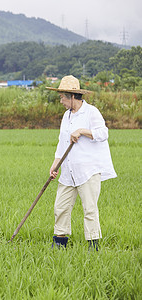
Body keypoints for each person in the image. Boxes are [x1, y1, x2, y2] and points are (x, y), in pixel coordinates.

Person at [47, 75, 117, 251]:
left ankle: (93, 246)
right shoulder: (66, 116)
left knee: (90, 210)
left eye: (62, 97)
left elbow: (103, 133)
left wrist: (82, 131)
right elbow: (61, 143)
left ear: (72, 96)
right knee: (60, 207)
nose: (61, 100)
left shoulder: (91, 112)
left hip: (88, 171)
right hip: (68, 171)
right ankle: (59, 243)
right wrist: (55, 164)